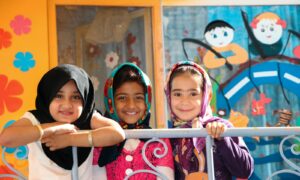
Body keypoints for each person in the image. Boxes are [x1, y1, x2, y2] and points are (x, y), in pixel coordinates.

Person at [0, 64, 125, 179]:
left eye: (76, 97)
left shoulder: (87, 117)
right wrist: (51, 128)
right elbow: (6, 138)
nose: (67, 105)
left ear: (85, 99)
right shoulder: (36, 118)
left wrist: (70, 139)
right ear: (47, 96)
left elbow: (118, 133)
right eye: (58, 96)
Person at [165, 61, 254, 180]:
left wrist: (223, 138)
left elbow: (244, 170)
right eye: (177, 94)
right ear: (169, 96)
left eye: (193, 94)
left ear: (207, 96)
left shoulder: (222, 127)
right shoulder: (169, 136)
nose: (184, 101)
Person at [93, 63, 174, 180]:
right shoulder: (100, 142)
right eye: (122, 98)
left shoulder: (158, 141)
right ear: (110, 101)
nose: (131, 105)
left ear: (147, 101)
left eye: (138, 97)